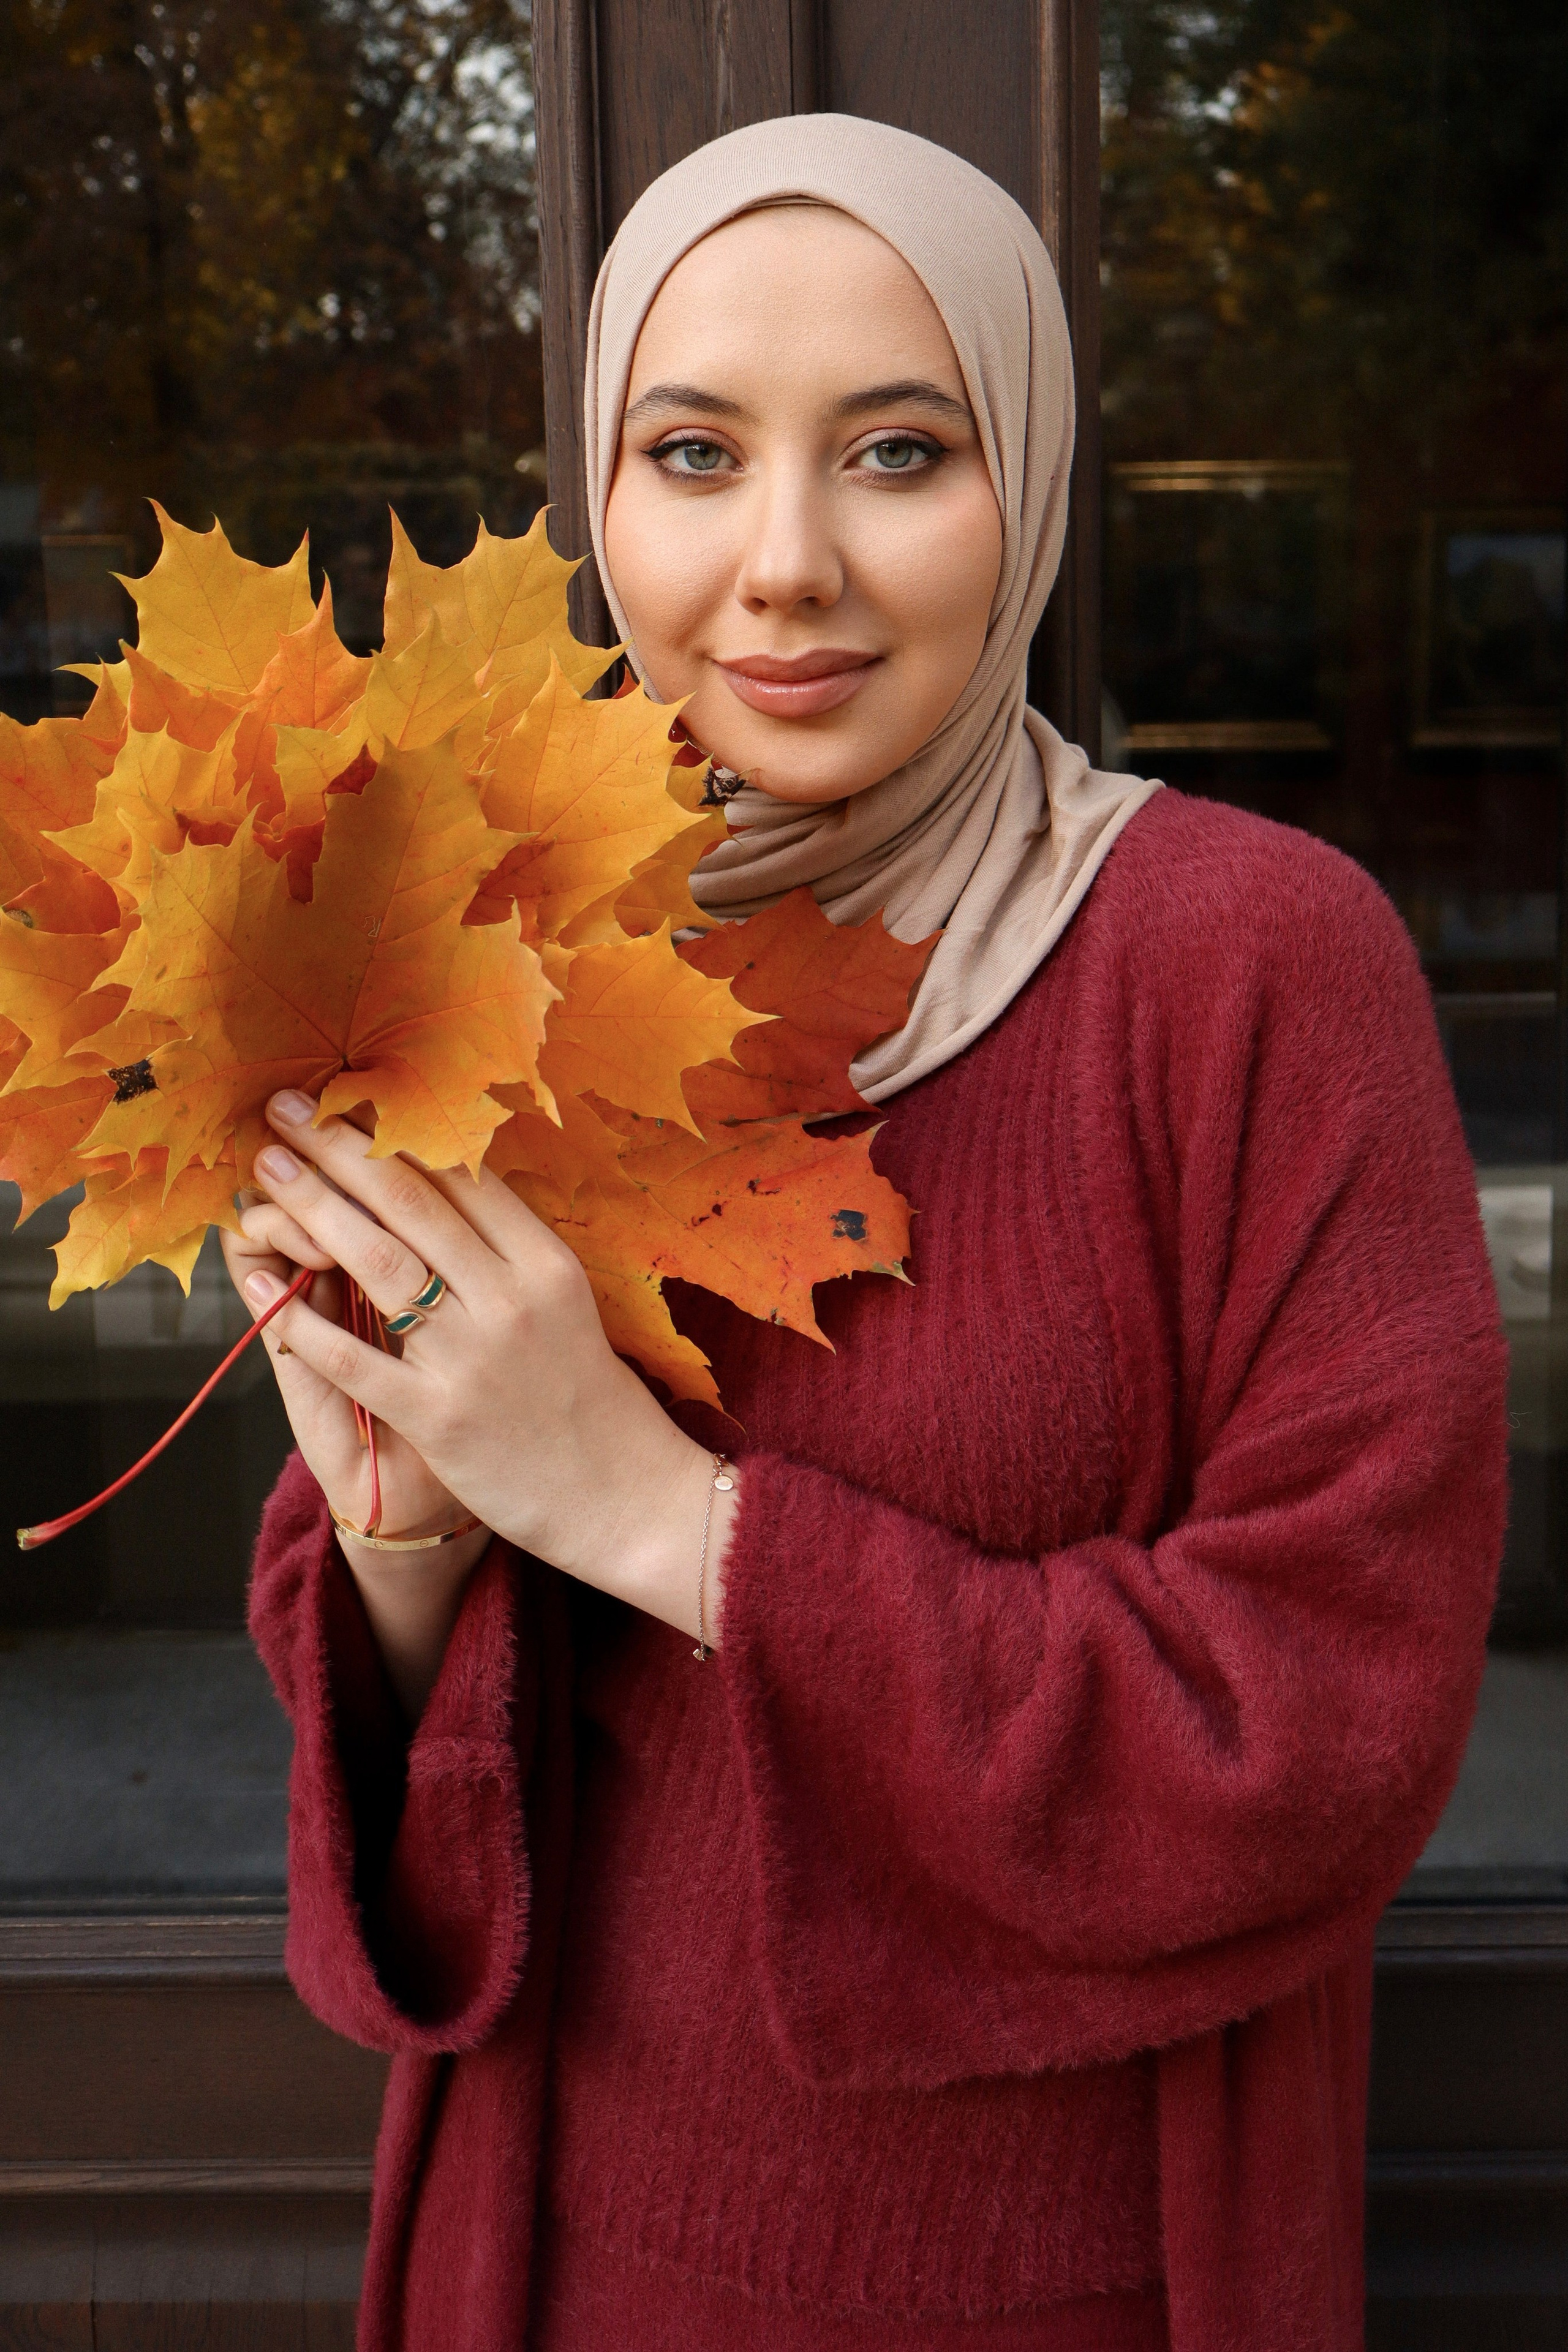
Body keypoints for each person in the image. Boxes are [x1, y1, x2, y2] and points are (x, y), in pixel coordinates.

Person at [226, 115, 1507, 2352]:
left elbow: (1327, 1725)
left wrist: (667, 1525)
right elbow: (427, 1807)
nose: (786, 565)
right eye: (693, 453)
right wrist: (414, 1549)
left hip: (1089, 2274)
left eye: (900, 452)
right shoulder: (497, 951)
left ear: (1029, 491)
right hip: (558, 2253)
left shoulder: (1247, 968)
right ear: (602, 495)